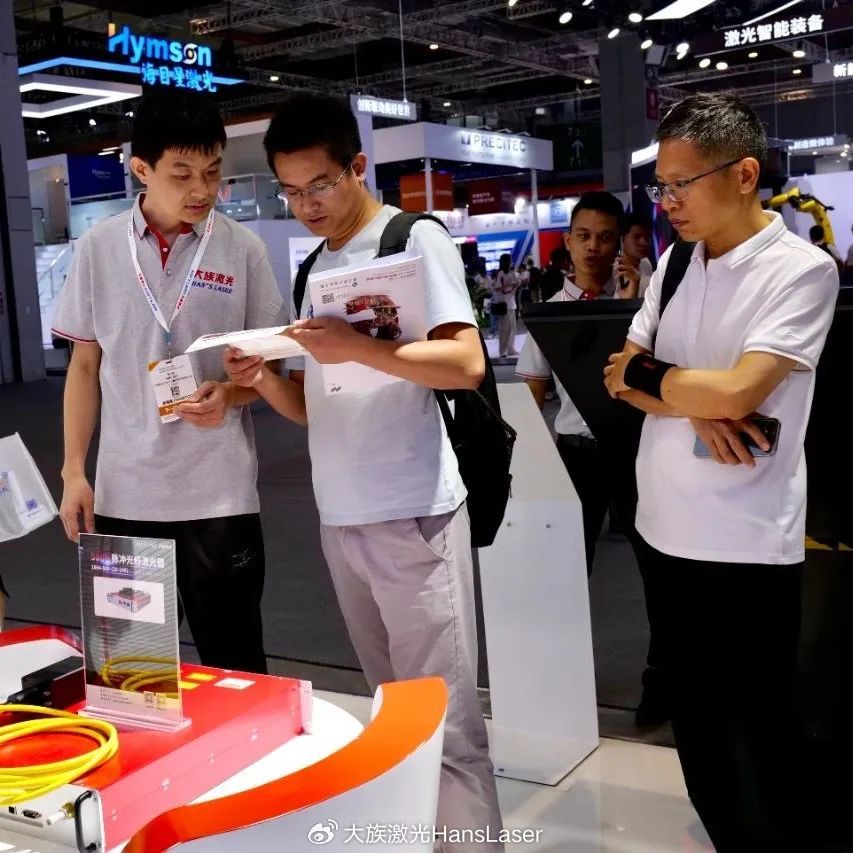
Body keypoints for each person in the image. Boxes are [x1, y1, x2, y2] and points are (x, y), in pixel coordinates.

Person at [223, 93, 503, 850]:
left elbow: (466, 363)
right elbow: (314, 409)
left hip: (413, 510)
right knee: (394, 719)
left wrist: (358, 347)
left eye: (318, 185)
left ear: (356, 167)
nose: (306, 205)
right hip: (341, 516)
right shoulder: (316, 266)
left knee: (446, 727)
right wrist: (263, 377)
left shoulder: (412, 239)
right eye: (290, 191)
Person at [604, 92, 838, 851]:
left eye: (682, 184)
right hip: (661, 528)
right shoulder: (673, 264)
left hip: (746, 542)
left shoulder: (799, 271)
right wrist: (698, 404)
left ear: (743, 174)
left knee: (762, 736)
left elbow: (740, 389)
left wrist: (677, 387)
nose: (666, 202)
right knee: (698, 728)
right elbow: (617, 372)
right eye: (661, 185)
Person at [51, 90, 284, 674]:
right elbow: (84, 368)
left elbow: (272, 370)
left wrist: (232, 392)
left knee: (236, 667)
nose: (201, 189)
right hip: (126, 497)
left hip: (220, 496)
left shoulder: (244, 249)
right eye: (182, 174)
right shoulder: (99, 248)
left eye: (212, 172)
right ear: (142, 169)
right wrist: (74, 471)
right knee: (131, 675)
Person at [517, 191, 636, 574]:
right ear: (568, 241)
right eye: (583, 236)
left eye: (605, 237)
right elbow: (533, 394)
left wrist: (630, 306)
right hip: (576, 454)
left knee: (658, 564)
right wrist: (528, 464)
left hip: (636, 450)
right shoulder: (549, 314)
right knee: (568, 570)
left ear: (618, 243)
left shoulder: (643, 304)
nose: (593, 247)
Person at [620, 211, 655, 297]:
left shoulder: (645, 262)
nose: (644, 243)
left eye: (647, 237)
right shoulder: (612, 269)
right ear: (622, 239)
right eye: (636, 237)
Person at [494, 253, 519, 359]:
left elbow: (513, 289)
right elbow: (498, 288)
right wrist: (511, 285)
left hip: (512, 304)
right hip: (504, 304)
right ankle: (502, 351)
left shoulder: (513, 273)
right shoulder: (501, 274)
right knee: (505, 329)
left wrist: (516, 285)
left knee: (513, 328)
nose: (511, 262)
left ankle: (510, 349)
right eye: (510, 260)